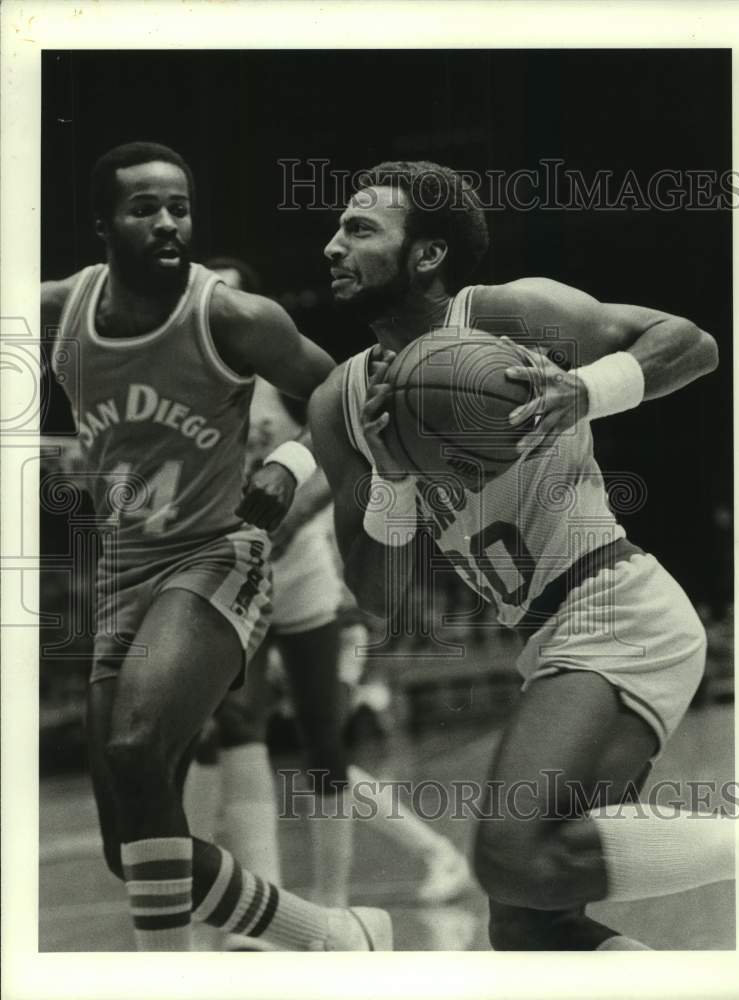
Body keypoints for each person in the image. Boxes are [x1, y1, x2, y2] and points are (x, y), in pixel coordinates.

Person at [309, 160, 732, 950]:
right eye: (336, 227)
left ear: (427, 254)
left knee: (508, 855)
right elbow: (379, 599)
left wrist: (587, 391)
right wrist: (394, 481)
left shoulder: (508, 313)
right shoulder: (339, 406)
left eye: (360, 229)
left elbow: (692, 344)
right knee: (530, 923)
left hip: (614, 605)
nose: (333, 245)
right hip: (545, 640)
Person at [41, 141, 391, 951]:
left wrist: (292, 461)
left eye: (180, 207)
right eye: (144, 209)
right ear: (102, 224)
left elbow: (352, 396)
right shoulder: (58, 310)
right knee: (128, 848)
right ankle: (333, 936)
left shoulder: (232, 316)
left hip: (217, 558)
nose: (169, 223)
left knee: (137, 746)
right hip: (123, 574)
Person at [183, 258, 472, 950]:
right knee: (224, 731)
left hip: (312, 577)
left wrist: (283, 520)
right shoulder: (188, 386)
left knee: (325, 752)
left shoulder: (282, 380)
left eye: (235, 297)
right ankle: (259, 910)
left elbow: (342, 461)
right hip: (238, 577)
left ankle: (339, 901)